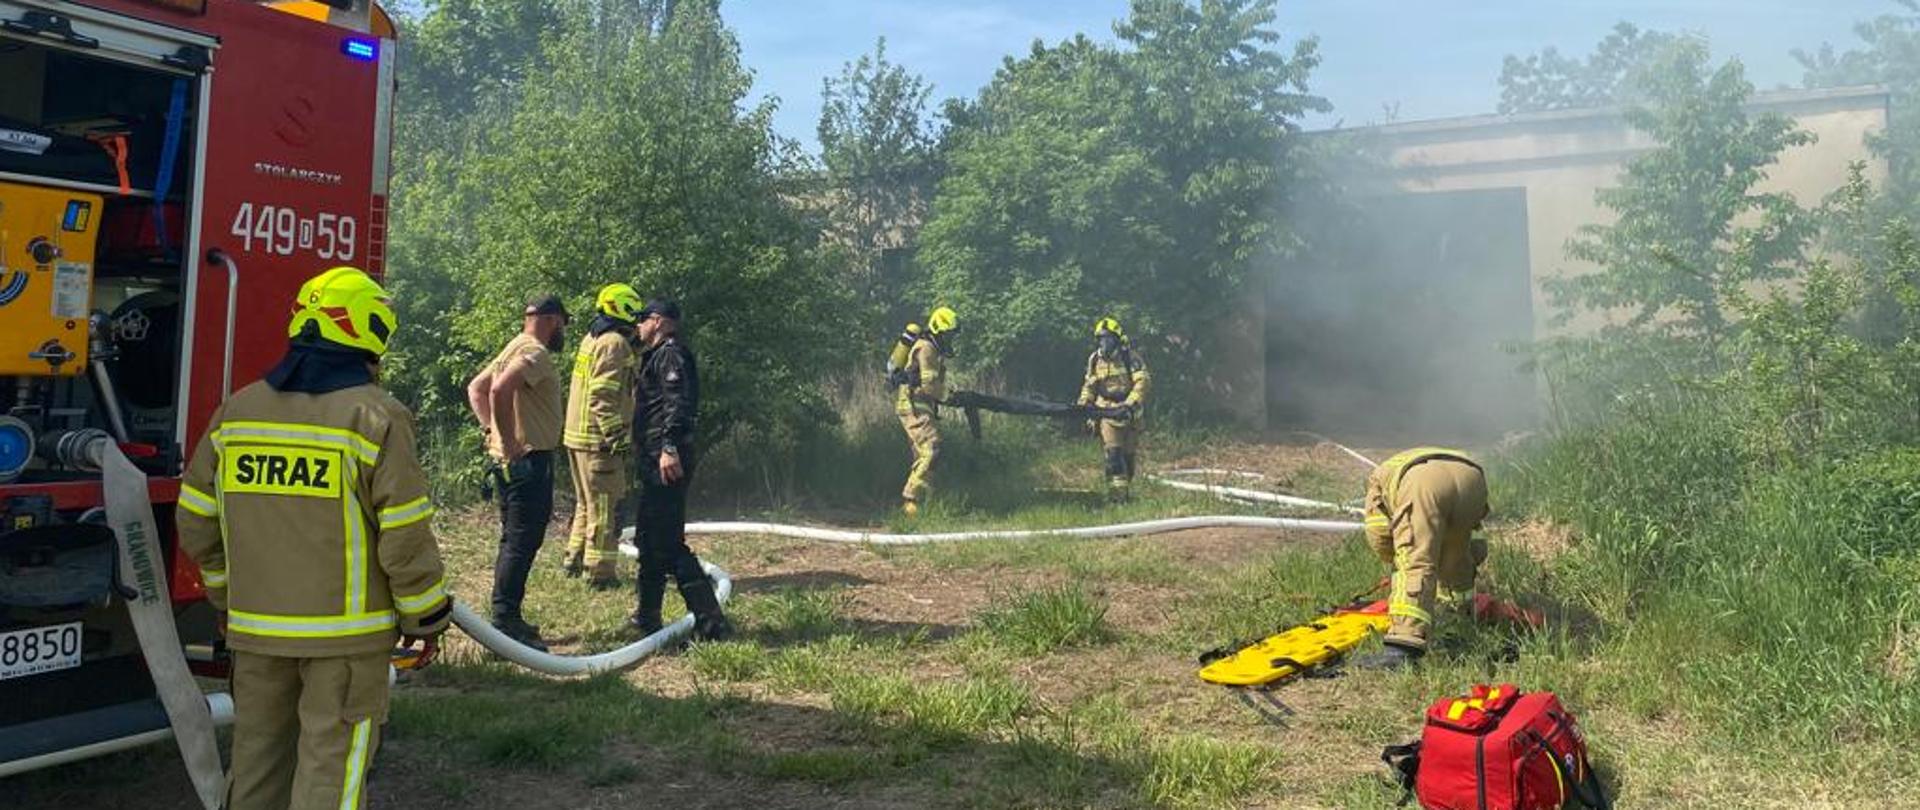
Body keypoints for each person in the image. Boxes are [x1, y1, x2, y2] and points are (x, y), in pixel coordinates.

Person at [174, 266, 450, 810]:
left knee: (256, 770)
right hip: (344, 646)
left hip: (256, 638)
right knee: (331, 774)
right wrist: (425, 617)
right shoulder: (376, 417)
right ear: (370, 333)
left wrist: (227, 598)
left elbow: (195, 520)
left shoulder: (239, 411)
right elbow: (404, 534)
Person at [465, 294, 569, 651]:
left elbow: (475, 389)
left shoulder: (512, 346)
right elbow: (495, 389)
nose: (562, 332)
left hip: (512, 462)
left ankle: (507, 616)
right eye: (563, 324)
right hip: (528, 461)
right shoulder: (535, 352)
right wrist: (508, 442)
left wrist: (490, 432)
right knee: (522, 541)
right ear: (553, 319)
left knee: (514, 539)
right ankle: (505, 622)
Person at [627, 298, 732, 640]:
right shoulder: (657, 356)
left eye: (642, 319)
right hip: (653, 457)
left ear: (657, 321)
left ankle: (711, 622)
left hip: (666, 458)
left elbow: (678, 403)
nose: (638, 326)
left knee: (668, 540)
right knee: (647, 537)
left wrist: (669, 447)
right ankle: (647, 617)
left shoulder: (671, 354)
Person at [1351, 447, 1490, 671]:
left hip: (1423, 483)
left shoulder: (1377, 479)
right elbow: (1475, 542)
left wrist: (1396, 558)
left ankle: (1403, 646)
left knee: (1415, 559)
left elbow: (1378, 535)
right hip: (1473, 478)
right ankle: (1457, 623)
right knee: (1456, 556)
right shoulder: (1412, 459)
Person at [561, 283, 644, 589]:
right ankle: (600, 574)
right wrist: (617, 436)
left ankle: (574, 558)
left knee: (587, 504)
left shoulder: (593, 336)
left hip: (577, 436)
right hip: (599, 441)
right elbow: (602, 396)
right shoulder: (614, 343)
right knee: (605, 509)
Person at [1076, 317, 1151, 499]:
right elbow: (1089, 386)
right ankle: (1117, 498)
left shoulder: (1130, 358)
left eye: (1108, 338)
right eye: (1101, 339)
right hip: (1107, 412)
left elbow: (1143, 382)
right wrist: (1084, 403)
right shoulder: (1094, 360)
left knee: (1128, 459)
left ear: (1117, 339)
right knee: (1113, 456)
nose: (1104, 343)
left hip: (1129, 413)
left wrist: (1130, 404)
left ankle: (1125, 490)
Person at [896, 306, 956, 516]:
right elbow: (930, 384)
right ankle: (911, 500)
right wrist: (951, 396)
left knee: (922, 454)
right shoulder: (927, 348)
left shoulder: (931, 349)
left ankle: (922, 506)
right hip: (914, 405)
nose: (950, 339)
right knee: (932, 448)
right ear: (939, 330)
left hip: (919, 405)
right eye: (948, 335)